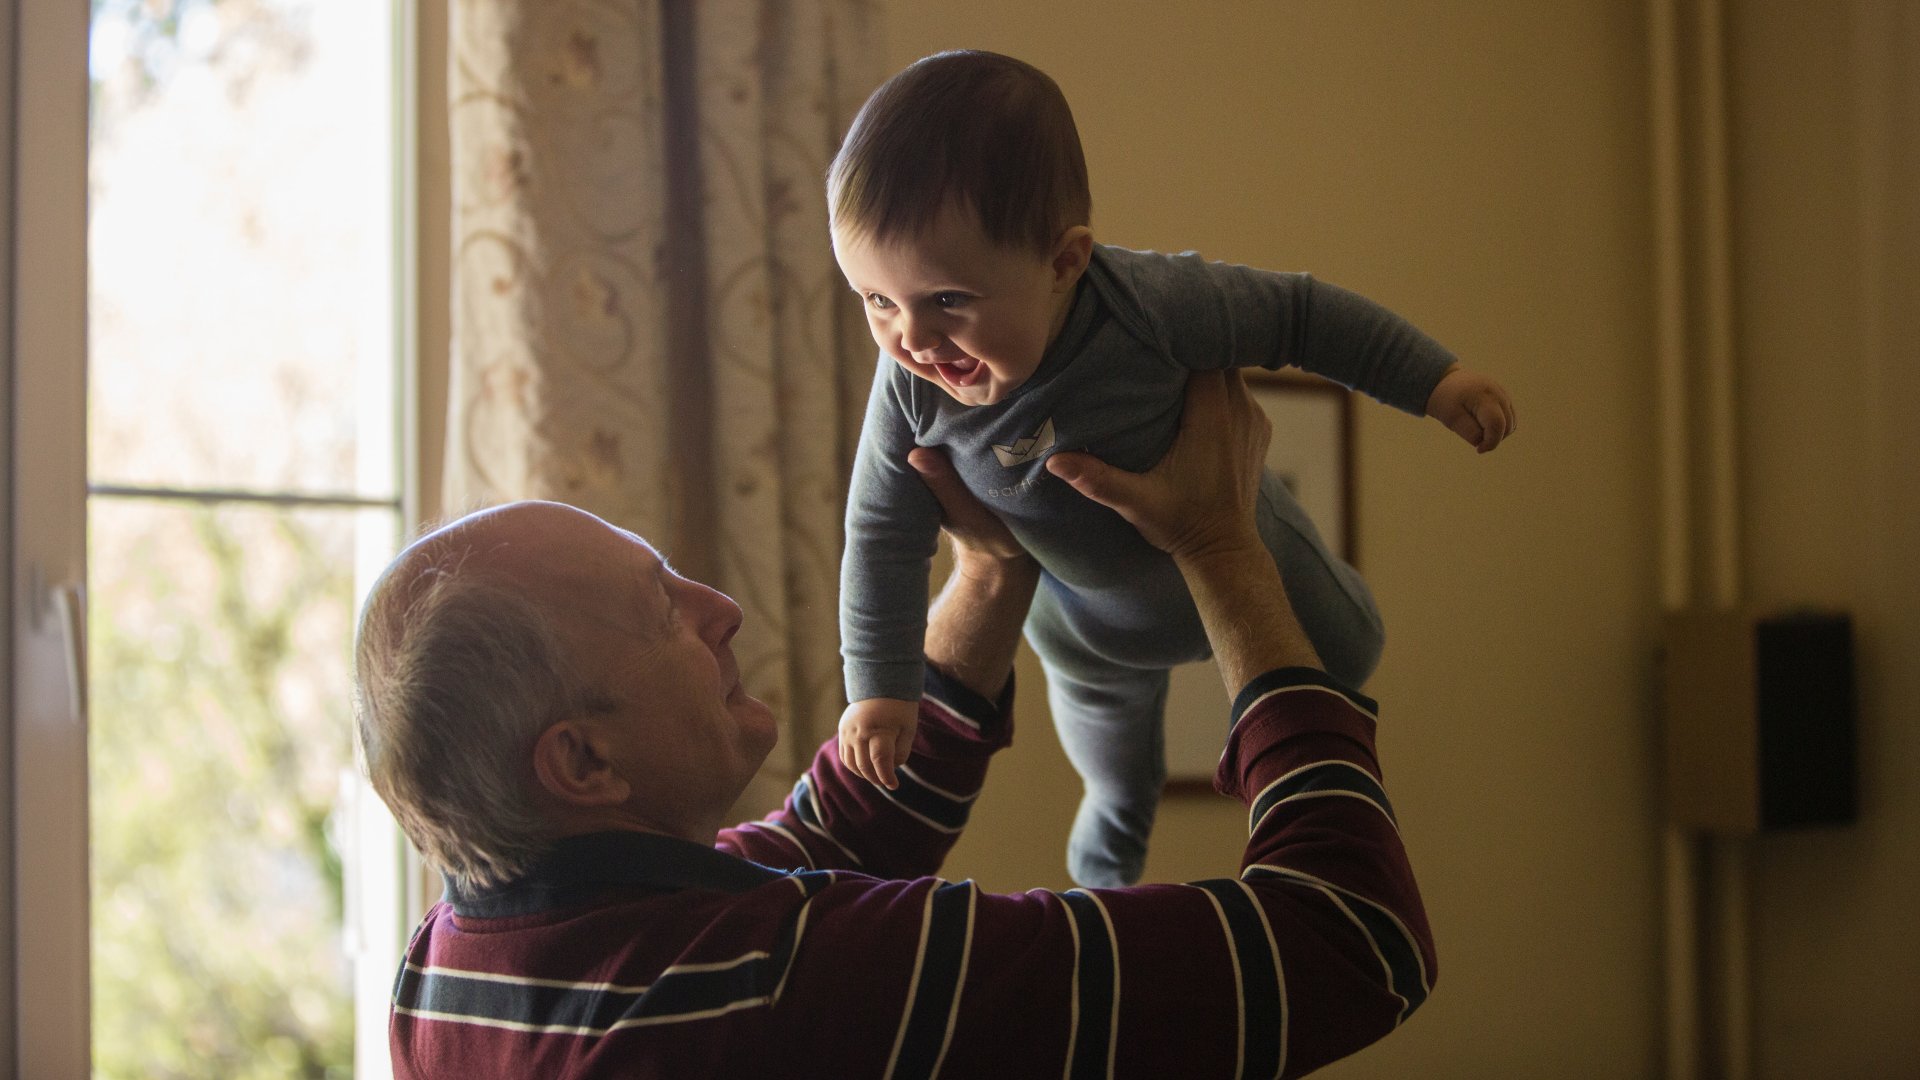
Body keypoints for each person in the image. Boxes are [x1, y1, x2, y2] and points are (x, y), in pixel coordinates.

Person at [355, 370, 1436, 1079]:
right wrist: (1221, 545)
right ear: (583, 761)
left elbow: (831, 834)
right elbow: (1350, 940)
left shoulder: (450, 970)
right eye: (661, 610)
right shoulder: (790, 985)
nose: (719, 610)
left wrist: (992, 567)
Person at [830, 49, 1516, 887]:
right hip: (1087, 631)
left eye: (947, 300)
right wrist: (880, 689)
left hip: (1246, 546)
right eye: (876, 301)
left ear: (1063, 263)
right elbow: (880, 535)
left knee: (1353, 651)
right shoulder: (908, 388)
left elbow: (1301, 315)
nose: (912, 339)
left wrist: (1435, 381)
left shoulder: (1151, 305)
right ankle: (1106, 882)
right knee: (1118, 779)